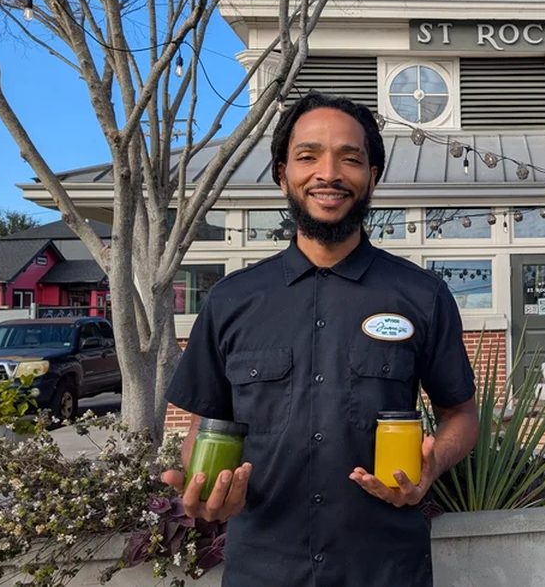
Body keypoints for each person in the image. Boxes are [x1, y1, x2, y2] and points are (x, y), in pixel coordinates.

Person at [161, 91, 479, 586]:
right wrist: (209, 486)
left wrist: (433, 462)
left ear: (373, 175)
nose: (328, 173)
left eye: (350, 158)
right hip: (262, 569)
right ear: (281, 173)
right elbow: (206, 427)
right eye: (307, 156)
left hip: (384, 570)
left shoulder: (423, 296)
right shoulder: (230, 300)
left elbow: (462, 415)